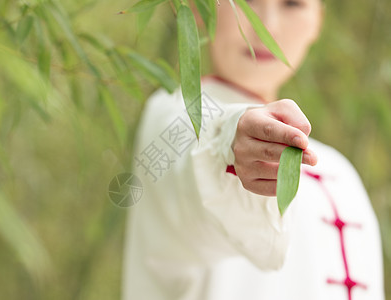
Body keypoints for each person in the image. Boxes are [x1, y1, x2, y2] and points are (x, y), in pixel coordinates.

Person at [122, 0, 384, 299]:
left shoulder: (341, 173)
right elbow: (191, 177)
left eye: (292, 4)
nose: (267, 26)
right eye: (245, 1)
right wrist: (230, 147)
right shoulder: (174, 121)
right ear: (196, 8)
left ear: (317, 22)